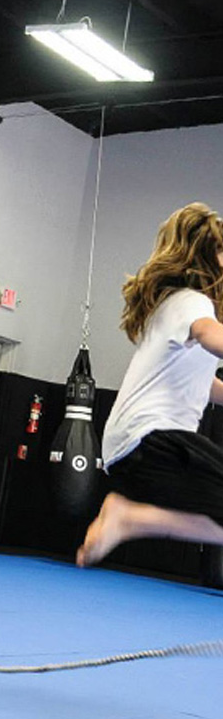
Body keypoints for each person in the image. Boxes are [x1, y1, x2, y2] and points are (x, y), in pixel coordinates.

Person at [77, 203, 223, 567]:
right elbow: (209, 335)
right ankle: (128, 518)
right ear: (214, 257)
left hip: (135, 449)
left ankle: (130, 519)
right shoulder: (192, 302)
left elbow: (202, 384)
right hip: (153, 440)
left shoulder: (174, 307)